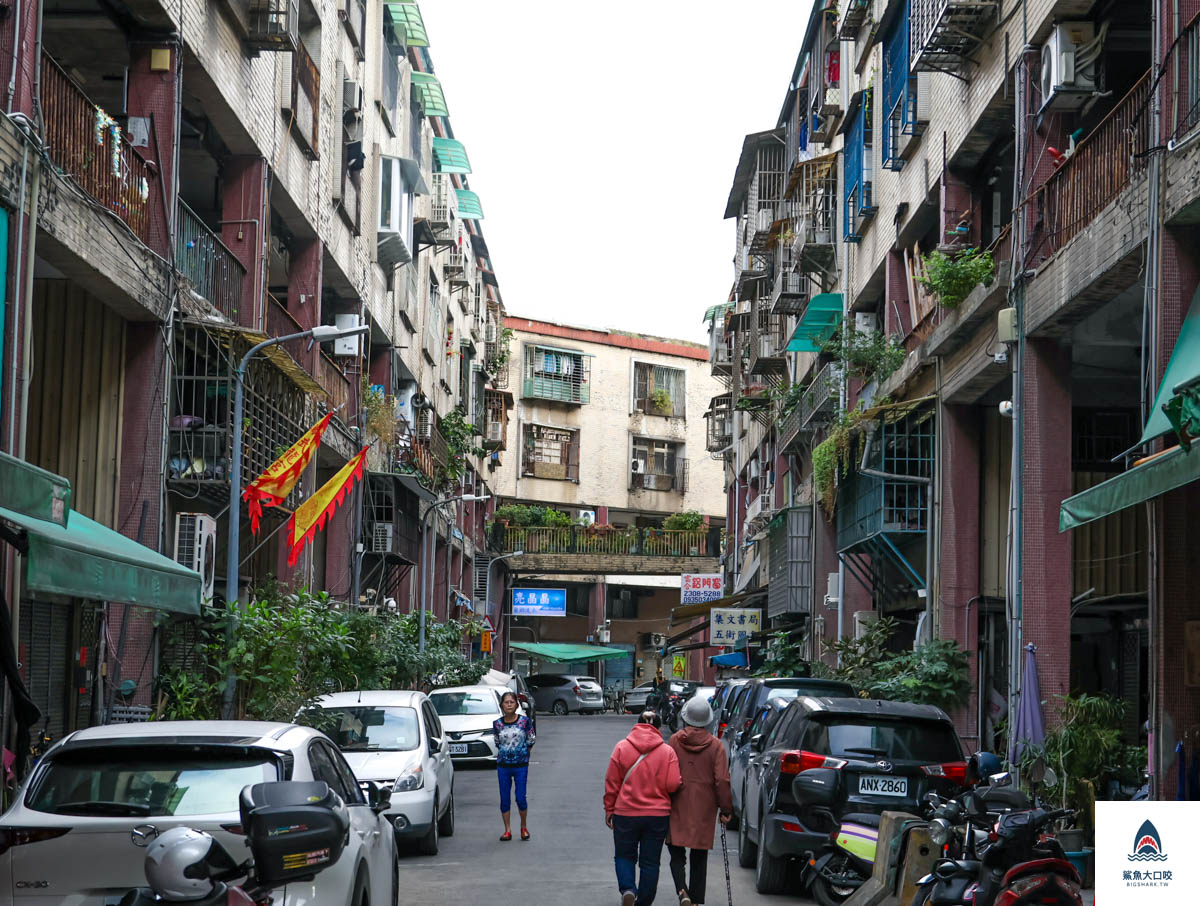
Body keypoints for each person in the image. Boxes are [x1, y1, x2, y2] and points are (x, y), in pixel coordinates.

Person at [604, 711, 682, 906]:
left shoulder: (621, 747)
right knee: (650, 862)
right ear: (658, 727)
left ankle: (628, 889)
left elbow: (612, 782)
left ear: (637, 725)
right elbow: (673, 784)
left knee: (624, 855)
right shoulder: (667, 751)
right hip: (657, 815)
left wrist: (609, 809)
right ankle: (644, 901)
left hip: (625, 813)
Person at [666, 697, 733, 906]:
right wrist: (726, 809)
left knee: (676, 853)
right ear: (707, 721)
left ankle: (682, 891)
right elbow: (721, 779)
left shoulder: (675, 741)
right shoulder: (716, 746)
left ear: (686, 718)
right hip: (704, 807)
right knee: (699, 856)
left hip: (677, 802)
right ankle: (694, 901)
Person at [493, 690, 535, 841]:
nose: (509, 705)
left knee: (520, 797)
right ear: (502, 705)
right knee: (505, 798)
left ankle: (523, 827)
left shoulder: (524, 722)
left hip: (521, 765)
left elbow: (531, 739)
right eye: (506, 702)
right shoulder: (497, 724)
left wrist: (523, 753)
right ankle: (507, 830)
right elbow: (498, 742)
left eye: (512, 702)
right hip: (503, 765)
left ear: (516, 704)